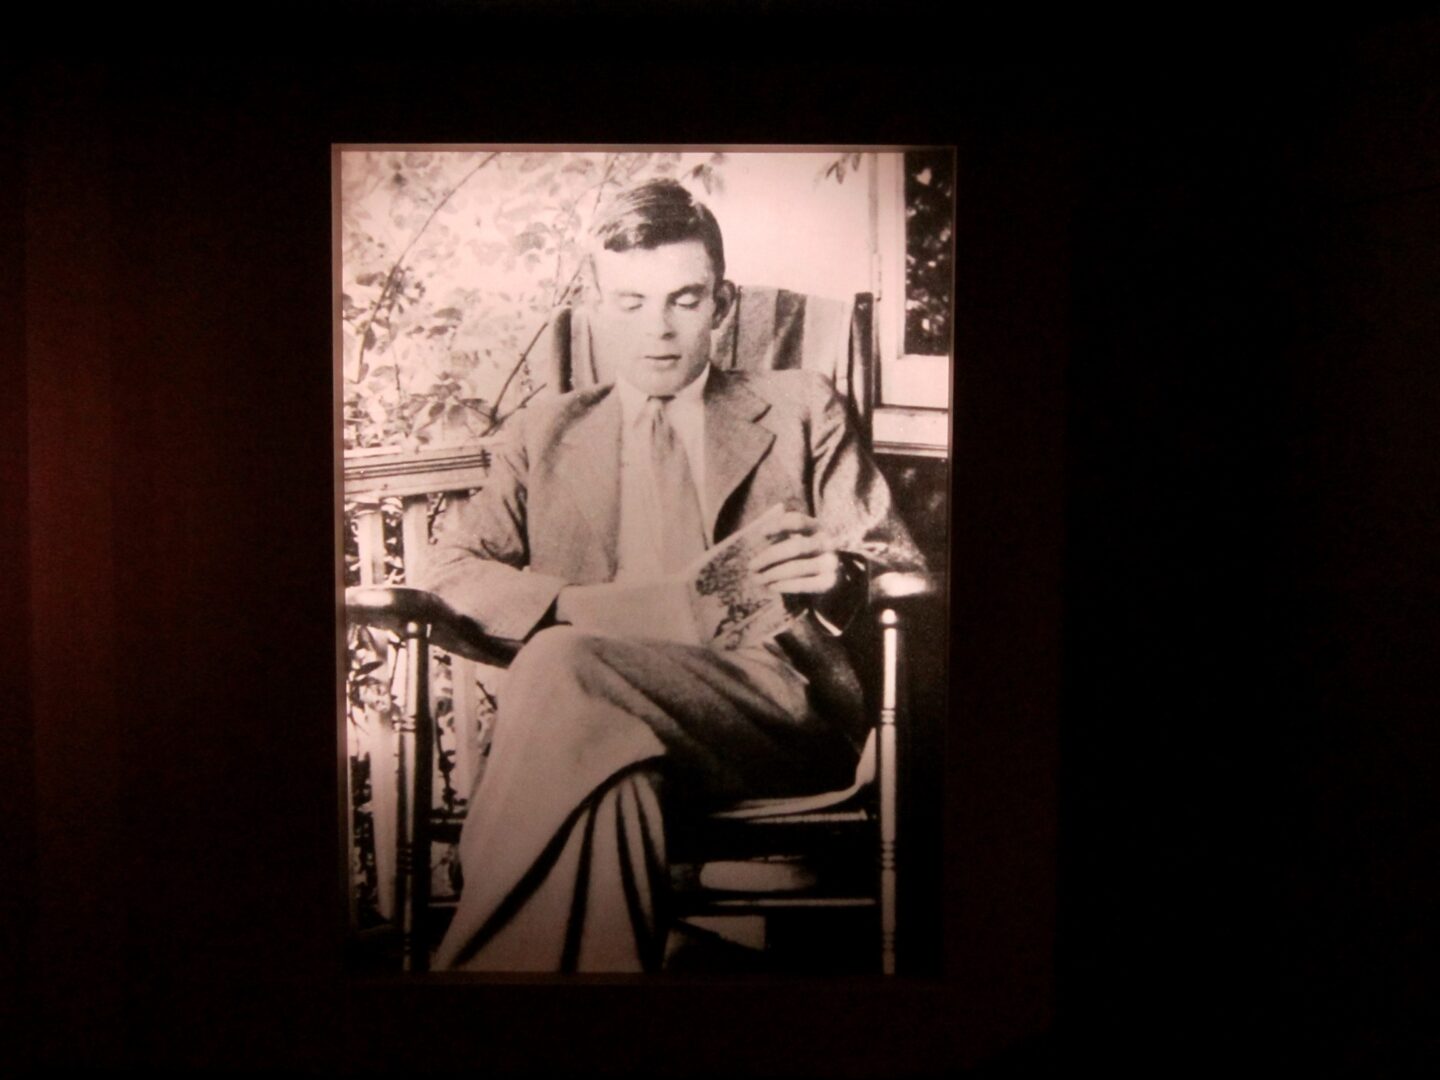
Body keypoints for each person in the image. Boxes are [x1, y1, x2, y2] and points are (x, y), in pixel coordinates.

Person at [420, 178, 925, 972]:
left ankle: (464, 978)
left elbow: (900, 566)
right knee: (607, 785)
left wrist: (842, 579)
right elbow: (450, 569)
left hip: (767, 710)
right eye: (629, 304)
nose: (657, 331)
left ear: (721, 305)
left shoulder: (798, 407)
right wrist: (592, 609)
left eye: (684, 301)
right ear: (593, 304)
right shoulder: (544, 431)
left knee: (557, 663)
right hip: (597, 721)